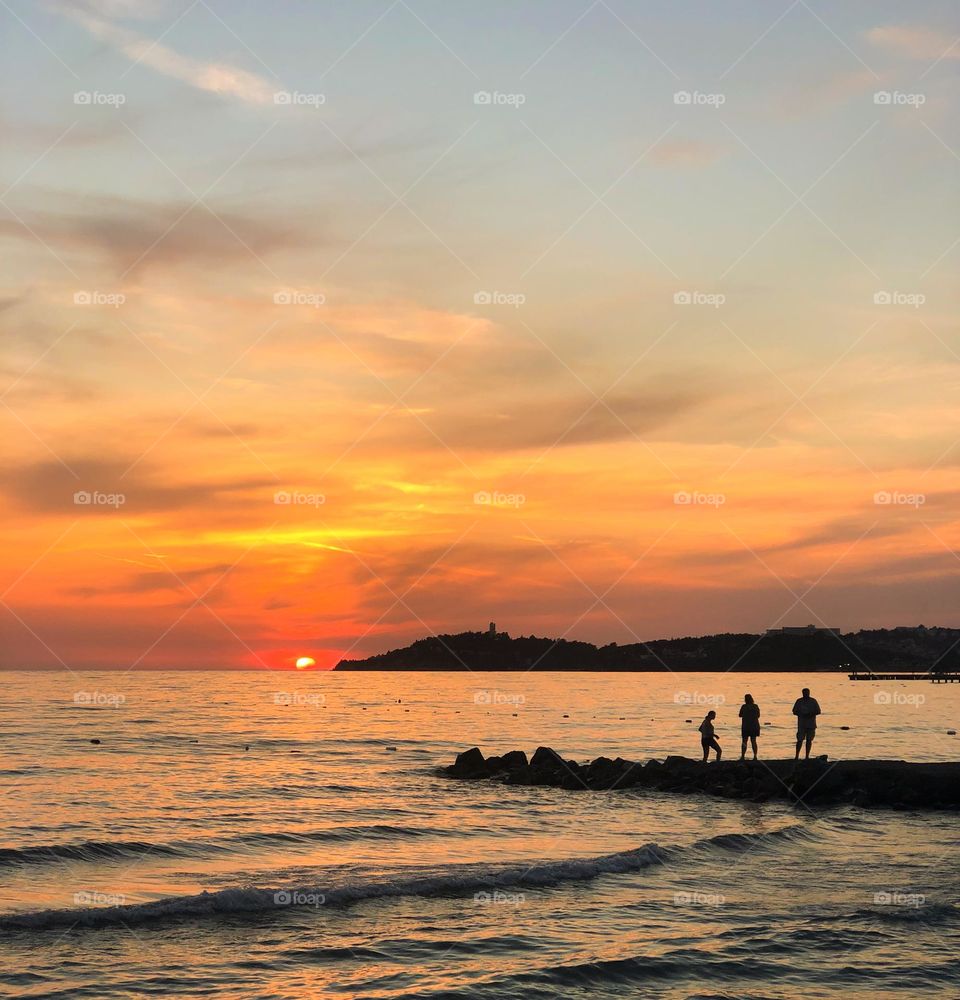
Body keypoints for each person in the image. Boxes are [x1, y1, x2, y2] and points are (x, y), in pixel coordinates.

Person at [792, 687, 821, 761]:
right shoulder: (799, 701)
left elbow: (818, 711)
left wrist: (810, 714)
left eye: (807, 693)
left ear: (809, 693)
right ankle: (796, 756)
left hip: (811, 724)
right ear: (802, 693)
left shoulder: (813, 701)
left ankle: (807, 756)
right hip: (801, 724)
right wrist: (801, 714)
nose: (806, 694)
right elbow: (794, 711)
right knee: (799, 740)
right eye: (804, 693)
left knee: (809, 740)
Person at [739, 694, 760, 760]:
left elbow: (740, 715)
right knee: (753, 741)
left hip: (746, 726)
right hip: (754, 726)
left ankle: (742, 756)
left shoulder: (744, 707)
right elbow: (758, 715)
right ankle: (755, 756)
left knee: (744, 741)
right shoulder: (755, 706)